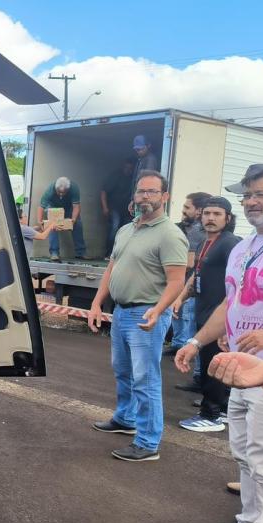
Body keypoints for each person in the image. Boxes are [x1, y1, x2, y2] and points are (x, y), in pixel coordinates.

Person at [174, 163, 263, 523]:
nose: (250, 201)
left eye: (260, 193)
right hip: (238, 369)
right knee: (246, 456)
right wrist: (196, 342)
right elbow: (230, 304)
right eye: (246, 194)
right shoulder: (245, 247)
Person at [87, 170, 188, 462]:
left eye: (152, 192)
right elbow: (111, 270)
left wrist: (159, 310)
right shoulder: (126, 230)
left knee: (146, 379)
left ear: (164, 197)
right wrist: (96, 303)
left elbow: (176, 281)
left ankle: (147, 442)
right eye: (140, 191)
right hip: (121, 311)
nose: (145, 196)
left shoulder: (170, 234)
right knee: (123, 371)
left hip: (147, 314)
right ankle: (125, 419)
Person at [171, 197, 240, 432]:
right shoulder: (204, 243)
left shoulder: (231, 244)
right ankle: (221, 408)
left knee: (215, 364)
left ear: (227, 218)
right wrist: (181, 297)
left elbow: (239, 284)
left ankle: (211, 416)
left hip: (219, 318)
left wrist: (229, 320)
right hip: (203, 312)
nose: (211, 218)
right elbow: (196, 274)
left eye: (217, 214)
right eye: (207, 213)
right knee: (211, 364)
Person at [168, 192, 213, 391]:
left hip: (193, 288)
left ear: (198, 211)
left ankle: (196, 375)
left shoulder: (197, 232)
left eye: (187, 208)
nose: (183, 211)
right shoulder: (191, 229)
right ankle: (180, 350)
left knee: (192, 328)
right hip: (190, 286)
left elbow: (191, 264)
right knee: (182, 320)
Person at [36, 176, 85, 261]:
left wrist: (73, 220)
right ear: (56, 188)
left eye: (64, 192)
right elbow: (41, 207)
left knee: (78, 224)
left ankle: (80, 253)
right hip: (54, 207)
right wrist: (39, 222)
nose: (61, 194)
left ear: (68, 189)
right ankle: (54, 253)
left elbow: (76, 206)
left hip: (69, 208)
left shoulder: (74, 188)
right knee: (52, 226)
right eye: (59, 192)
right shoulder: (50, 190)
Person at [100, 159, 135, 259]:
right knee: (114, 228)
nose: (128, 170)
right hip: (114, 208)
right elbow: (103, 192)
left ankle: (121, 255)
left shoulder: (133, 179)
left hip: (127, 210)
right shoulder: (115, 176)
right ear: (123, 167)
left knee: (127, 232)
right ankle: (108, 253)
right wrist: (105, 208)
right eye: (126, 168)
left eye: (130, 169)